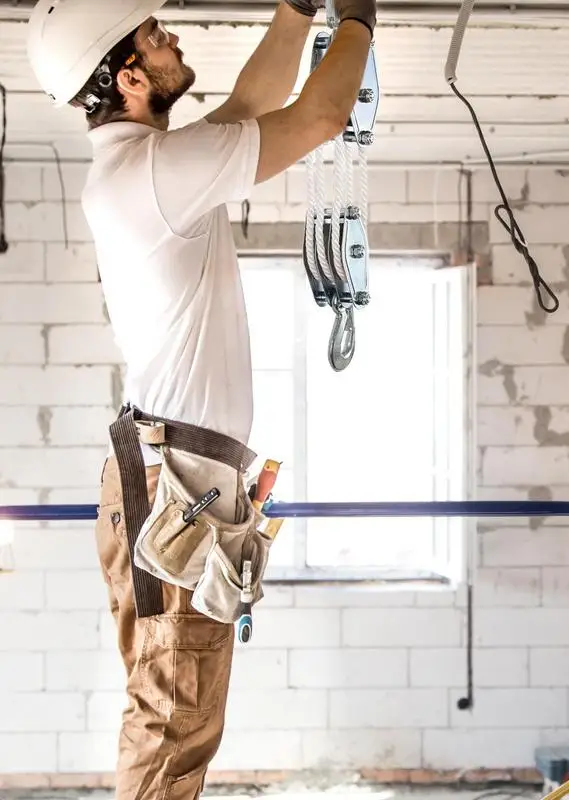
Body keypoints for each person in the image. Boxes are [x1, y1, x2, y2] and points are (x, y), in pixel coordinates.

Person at [26, 0, 376, 796]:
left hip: (172, 478)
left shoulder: (146, 167)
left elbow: (252, 107)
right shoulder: (154, 173)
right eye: (155, 36)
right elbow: (319, 117)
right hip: (174, 486)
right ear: (129, 76)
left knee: (174, 708)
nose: (171, 36)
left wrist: (294, 16)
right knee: (174, 715)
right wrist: (356, 21)